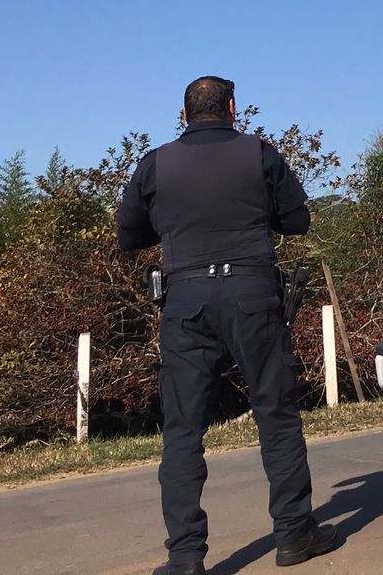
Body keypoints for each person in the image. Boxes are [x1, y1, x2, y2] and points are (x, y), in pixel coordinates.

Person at [118, 75, 341, 574]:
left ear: (184, 113)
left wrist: (176, 223)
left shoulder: (156, 163)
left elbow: (128, 234)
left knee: (182, 431)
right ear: (233, 107)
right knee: (276, 415)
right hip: (253, 295)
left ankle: (185, 558)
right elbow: (298, 220)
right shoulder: (259, 154)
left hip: (186, 299)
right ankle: (293, 534)